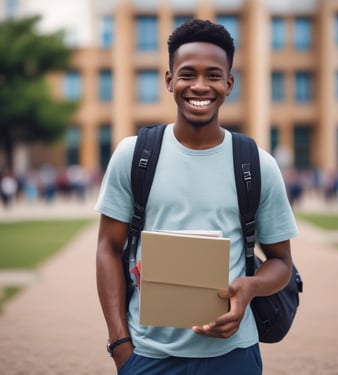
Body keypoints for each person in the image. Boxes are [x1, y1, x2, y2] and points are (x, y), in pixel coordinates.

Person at [96, 19, 298, 375]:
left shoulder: (257, 164)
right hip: (147, 356)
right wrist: (120, 346)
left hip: (234, 355)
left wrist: (250, 287)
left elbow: (281, 261)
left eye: (214, 75)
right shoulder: (134, 155)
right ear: (169, 80)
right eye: (188, 74)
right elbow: (108, 249)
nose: (200, 86)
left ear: (229, 84)